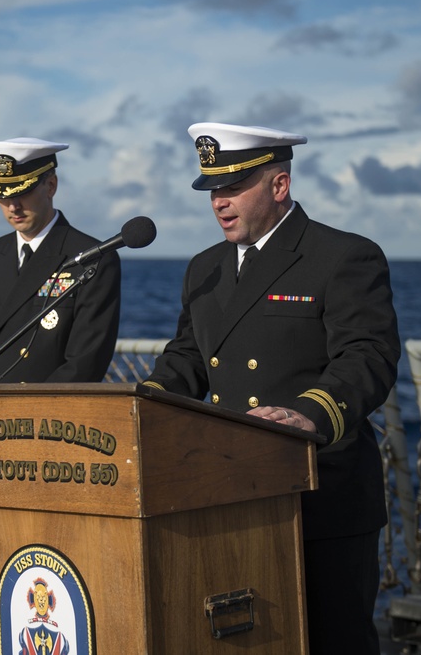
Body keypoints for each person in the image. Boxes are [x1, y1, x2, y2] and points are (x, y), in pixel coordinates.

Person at [142, 123, 400, 655]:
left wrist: (312, 414)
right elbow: (189, 355)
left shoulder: (342, 255)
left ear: (279, 185)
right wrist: (141, 402)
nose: (219, 202)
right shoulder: (205, 269)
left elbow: (368, 356)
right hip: (230, 491)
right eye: (213, 190)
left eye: (233, 188)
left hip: (319, 490)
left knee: (335, 641)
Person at [0, 137, 121, 384]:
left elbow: (85, 363)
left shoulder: (91, 258)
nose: (13, 206)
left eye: (22, 191)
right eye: (1, 195)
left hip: (51, 417)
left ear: (51, 185)